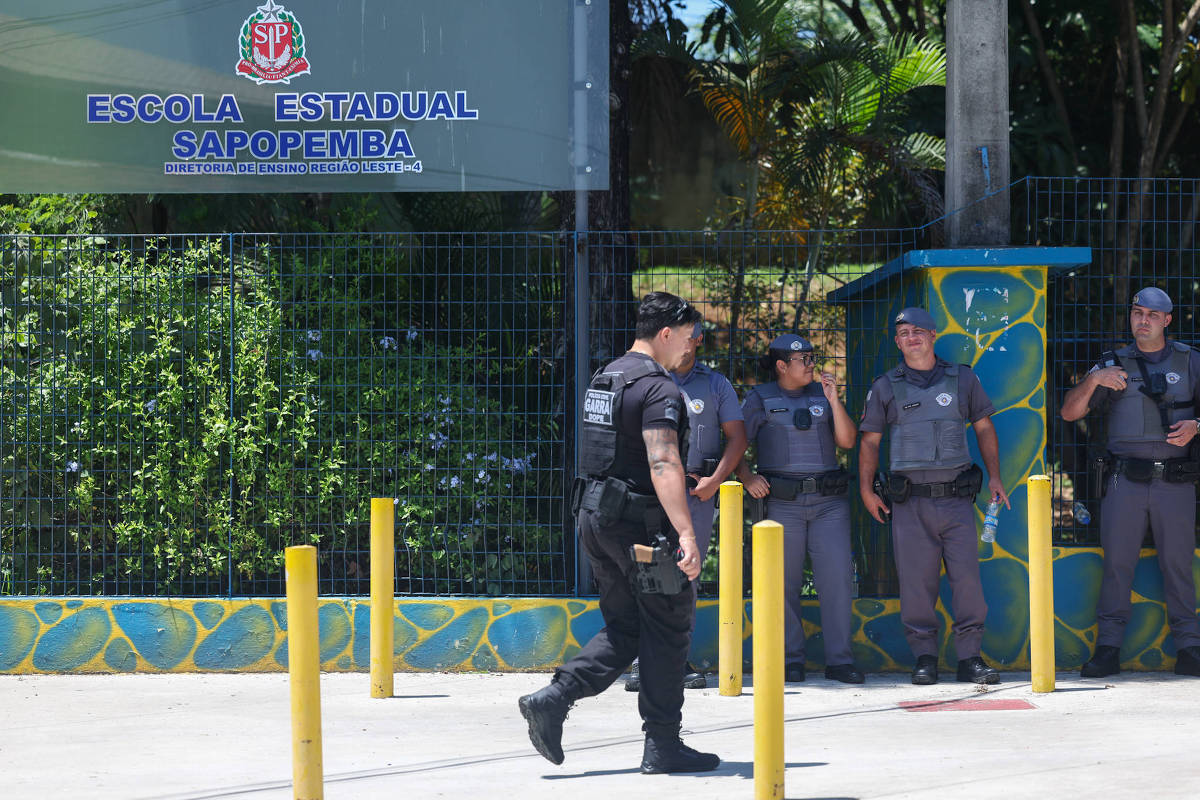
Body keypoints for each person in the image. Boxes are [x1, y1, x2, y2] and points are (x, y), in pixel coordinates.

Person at [519, 291, 720, 774]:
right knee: (670, 628)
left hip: (594, 520)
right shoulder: (658, 389)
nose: (691, 347)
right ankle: (663, 745)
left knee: (629, 626)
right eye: (689, 337)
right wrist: (687, 535)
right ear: (666, 333)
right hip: (641, 531)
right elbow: (663, 460)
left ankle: (555, 696)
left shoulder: (607, 376)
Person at [858, 307, 1009, 686]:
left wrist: (995, 477)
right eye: (904, 333)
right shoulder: (885, 386)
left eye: (918, 331)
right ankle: (925, 658)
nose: (911, 338)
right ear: (897, 341)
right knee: (916, 583)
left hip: (957, 500)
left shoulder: (962, 379)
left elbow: (985, 427)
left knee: (968, 583)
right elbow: (870, 442)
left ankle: (970, 658)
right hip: (910, 503)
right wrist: (865, 489)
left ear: (932, 335)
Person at [1059, 286, 1200, 678]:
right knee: (1117, 565)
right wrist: (1094, 381)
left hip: (1176, 482)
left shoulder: (1190, 361)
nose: (1143, 320)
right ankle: (1107, 650)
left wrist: (1196, 426)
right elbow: (1070, 413)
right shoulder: (1111, 363)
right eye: (1137, 312)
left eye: (1152, 315)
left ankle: (1189, 648)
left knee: (1178, 566)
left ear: (1167, 320)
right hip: (1125, 482)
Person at [625, 321, 748, 692]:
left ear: (698, 341)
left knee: (684, 575)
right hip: (648, 494)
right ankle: (639, 662)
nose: (687, 341)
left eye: (693, 335)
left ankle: (675, 659)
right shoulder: (645, 380)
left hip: (697, 493)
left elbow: (737, 438)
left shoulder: (715, 384)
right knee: (644, 573)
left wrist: (716, 482)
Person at [734, 334, 864, 684]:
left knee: (836, 580)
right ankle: (791, 659)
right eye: (803, 359)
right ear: (781, 366)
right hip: (782, 504)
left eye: (811, 357)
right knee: (782, 583)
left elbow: (848, 441)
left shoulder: (823, 393)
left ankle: (840, 660)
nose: (811, 364)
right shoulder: (759, 398)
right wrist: (746, 477)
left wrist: (834, 401)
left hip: (828, 503)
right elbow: (734, 444)